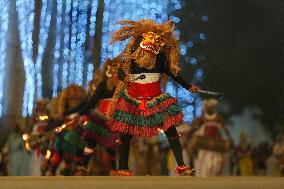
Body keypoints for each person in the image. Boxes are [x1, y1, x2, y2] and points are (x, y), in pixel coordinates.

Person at [107, 19, 199, 176]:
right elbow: (121, 72)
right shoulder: (131, 57)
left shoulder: (161, 59)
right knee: (126, 132)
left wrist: (188, 86)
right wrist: (125, 78)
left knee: (170, 129)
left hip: (156, 99)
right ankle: (123, 167)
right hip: (133, 99)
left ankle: (182, 166)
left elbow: (173, 74)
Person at [64, 56, 122, 175]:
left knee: (110, 144)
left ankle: (113, 169)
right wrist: (79, 114)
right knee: (91, 141)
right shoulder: (102, 85)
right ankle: (83, 166)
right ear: (107, 72)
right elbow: (91, 102)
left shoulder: (122, 86)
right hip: (100, 117)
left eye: (117, 72)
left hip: (115, 117)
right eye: (112, 72)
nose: (114, 75)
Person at [189, 99, 232, 177]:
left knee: (215, 166)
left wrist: (229, 139)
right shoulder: (201, 118)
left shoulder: (218, 118)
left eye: (211, 107)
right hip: (203, 147)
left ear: (213, 108)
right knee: (203, 167)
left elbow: (223, 130)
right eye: (208, 107)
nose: (209, 108)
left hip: (215, 146)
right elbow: (194, 128)